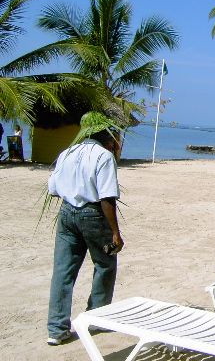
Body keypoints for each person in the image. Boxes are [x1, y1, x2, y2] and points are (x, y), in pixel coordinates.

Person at [46, 112, 124, 346]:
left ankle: (56, 329)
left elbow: (53, 188)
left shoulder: (66, 153)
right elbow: (107, 198)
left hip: (67, 212)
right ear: (105, 134)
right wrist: (115, 233)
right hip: (92, 214)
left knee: (63, 270)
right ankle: (96, 317)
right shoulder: (103, 156)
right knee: (105, 264)